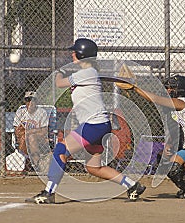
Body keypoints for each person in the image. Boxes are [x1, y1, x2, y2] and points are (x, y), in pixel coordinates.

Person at [25, 38, 146, 204]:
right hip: (98, 124)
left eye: (74, 52)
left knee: (61, 149)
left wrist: (60, 71)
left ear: (82, 54)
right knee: (93, 167)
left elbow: (59, 83)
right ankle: (132, 186)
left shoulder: (86, 73)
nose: (72, 54)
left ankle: (49, 192)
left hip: (94, 124)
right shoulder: (86, 73)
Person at [132, 75, 185, 198]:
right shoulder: (176, 107)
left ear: (181, 90)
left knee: (172, 164)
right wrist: (169, 144)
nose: (168, 91)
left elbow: (155, 99)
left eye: (171, 88)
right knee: (165, 159)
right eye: (167, 88)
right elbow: (176, 128)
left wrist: (135, 88)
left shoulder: (183, 102)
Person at [13, 91, 49, 170]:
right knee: (24, 137)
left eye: (33, 100)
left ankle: (34, 165)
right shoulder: (20, 111)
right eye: (28, 100)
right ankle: (28, 165)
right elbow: (17, 130)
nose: (30, 102)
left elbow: (44, 131)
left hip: (39, 139)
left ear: (36, 101)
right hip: (23, 137)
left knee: (31, 137)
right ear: (25, 101)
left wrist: (29, 132)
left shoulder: (42, 112)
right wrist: (29, 132)